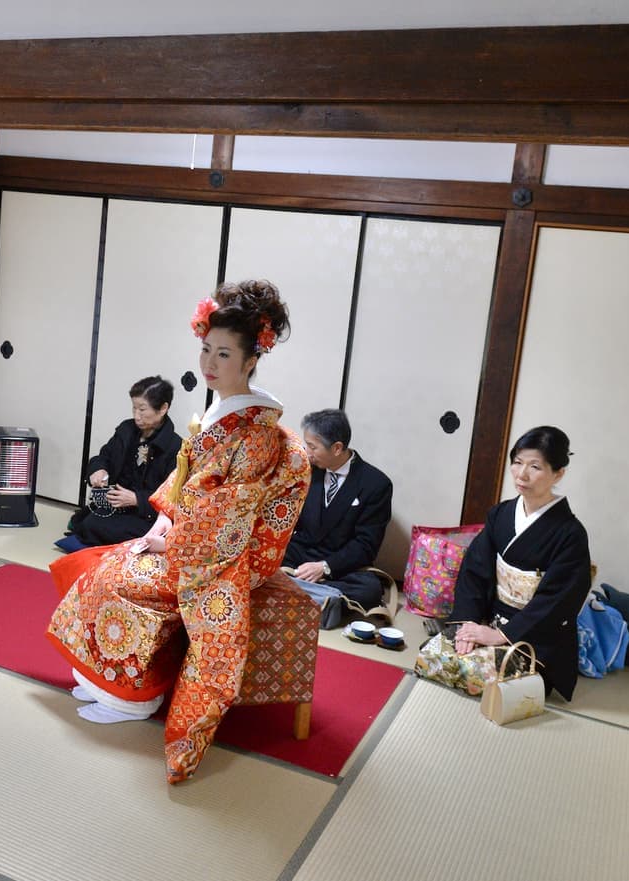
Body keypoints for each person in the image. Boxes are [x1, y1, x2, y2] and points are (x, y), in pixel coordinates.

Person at [47, 280, 310, 784]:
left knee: (119, 579)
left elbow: (226, 521)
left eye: (224, 353)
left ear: (252, 360)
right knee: (104, 558)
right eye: (206, 349)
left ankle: (133, 699)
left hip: (224, 560)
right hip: (193, 540)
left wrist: (171, 540)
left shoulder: (255, 434)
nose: (209, 362)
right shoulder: (222, 413)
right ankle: (107, 682)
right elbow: (185, 481)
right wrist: (165, 518)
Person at [442, 425, 591, 700]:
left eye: (534, 467)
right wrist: (470, 624)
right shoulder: (501, 514)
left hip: (533, 636)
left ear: (558, 473)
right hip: (489, 619)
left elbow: (558, 601)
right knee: (437, 656)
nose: (522, 474)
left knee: (484, 680)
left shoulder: (571, 534)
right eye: (517, 462)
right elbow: (474, 571)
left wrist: (502, 636)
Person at [284, 409, 394, 628]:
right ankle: (321, 599)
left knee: (370, 589)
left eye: (313, 447)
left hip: (340, 562)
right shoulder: (306, 470)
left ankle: (297, 592)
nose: (307, 451)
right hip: (302, 552)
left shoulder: (375, 484)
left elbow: (366, 545)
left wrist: (324, 567)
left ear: (336, 448)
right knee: (257, 560)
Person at [63, 375, 181, 549]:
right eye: (134, 409)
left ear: (163, 408)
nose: (136, 416)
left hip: (146, 516)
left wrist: (137, 499)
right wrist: (98, 469)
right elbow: (103, 456)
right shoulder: (126, 430)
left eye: (142, 409)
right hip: (115, 507)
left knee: (97, 527)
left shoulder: (175, 446)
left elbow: (173, 497)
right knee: (90, 522)